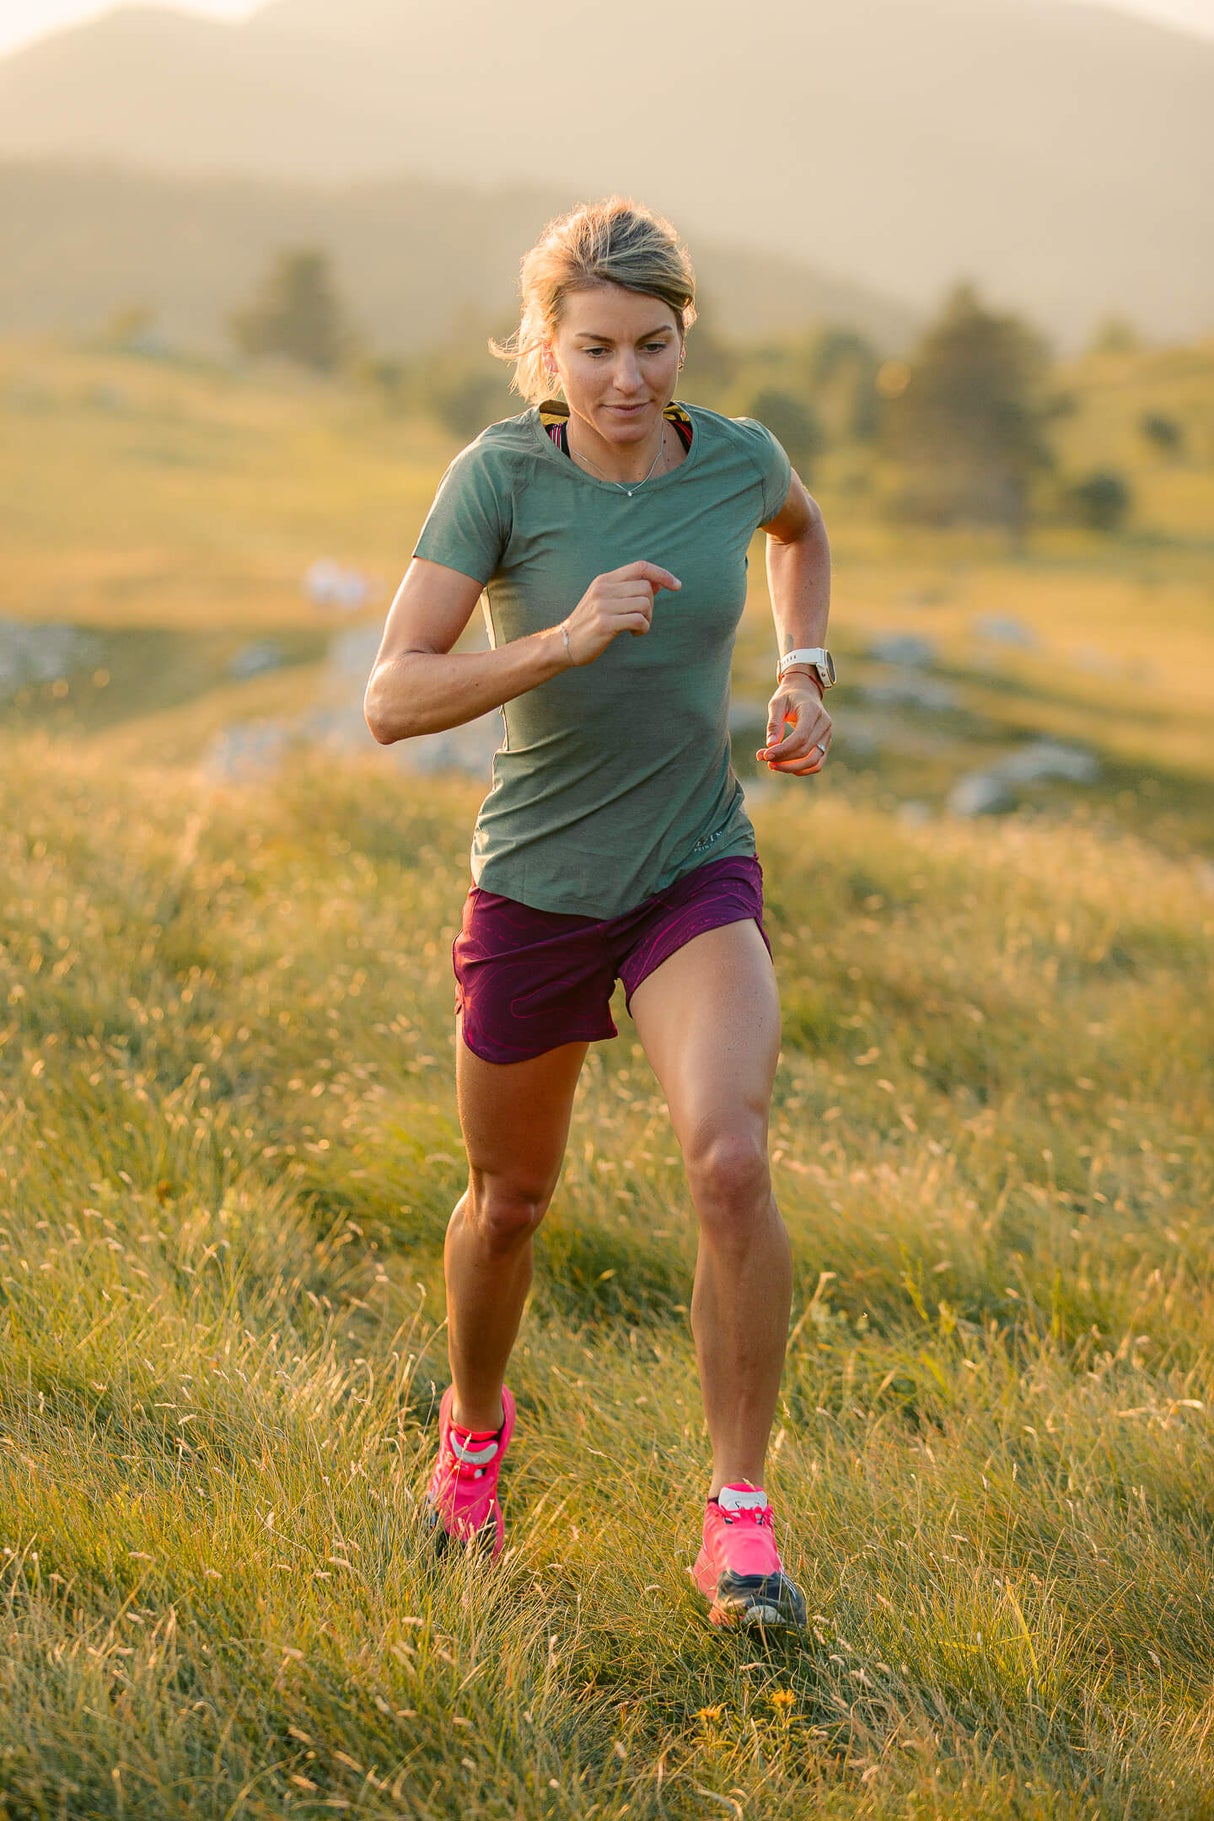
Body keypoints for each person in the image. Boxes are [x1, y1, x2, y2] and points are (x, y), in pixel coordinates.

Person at [364, 197, 834, 1628]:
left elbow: (798, 530)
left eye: (653, 344)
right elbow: (391, 695)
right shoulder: (500, 480)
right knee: (508, 1204)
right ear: (544, 351)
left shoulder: (736, 458)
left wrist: (803, 663)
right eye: (594, 350)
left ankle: (738, 1519)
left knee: (730, 1161)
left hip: (689, 867)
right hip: (537, 886)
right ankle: (473, 1429)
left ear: (681, 338)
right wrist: (561, 639)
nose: (628, 380)